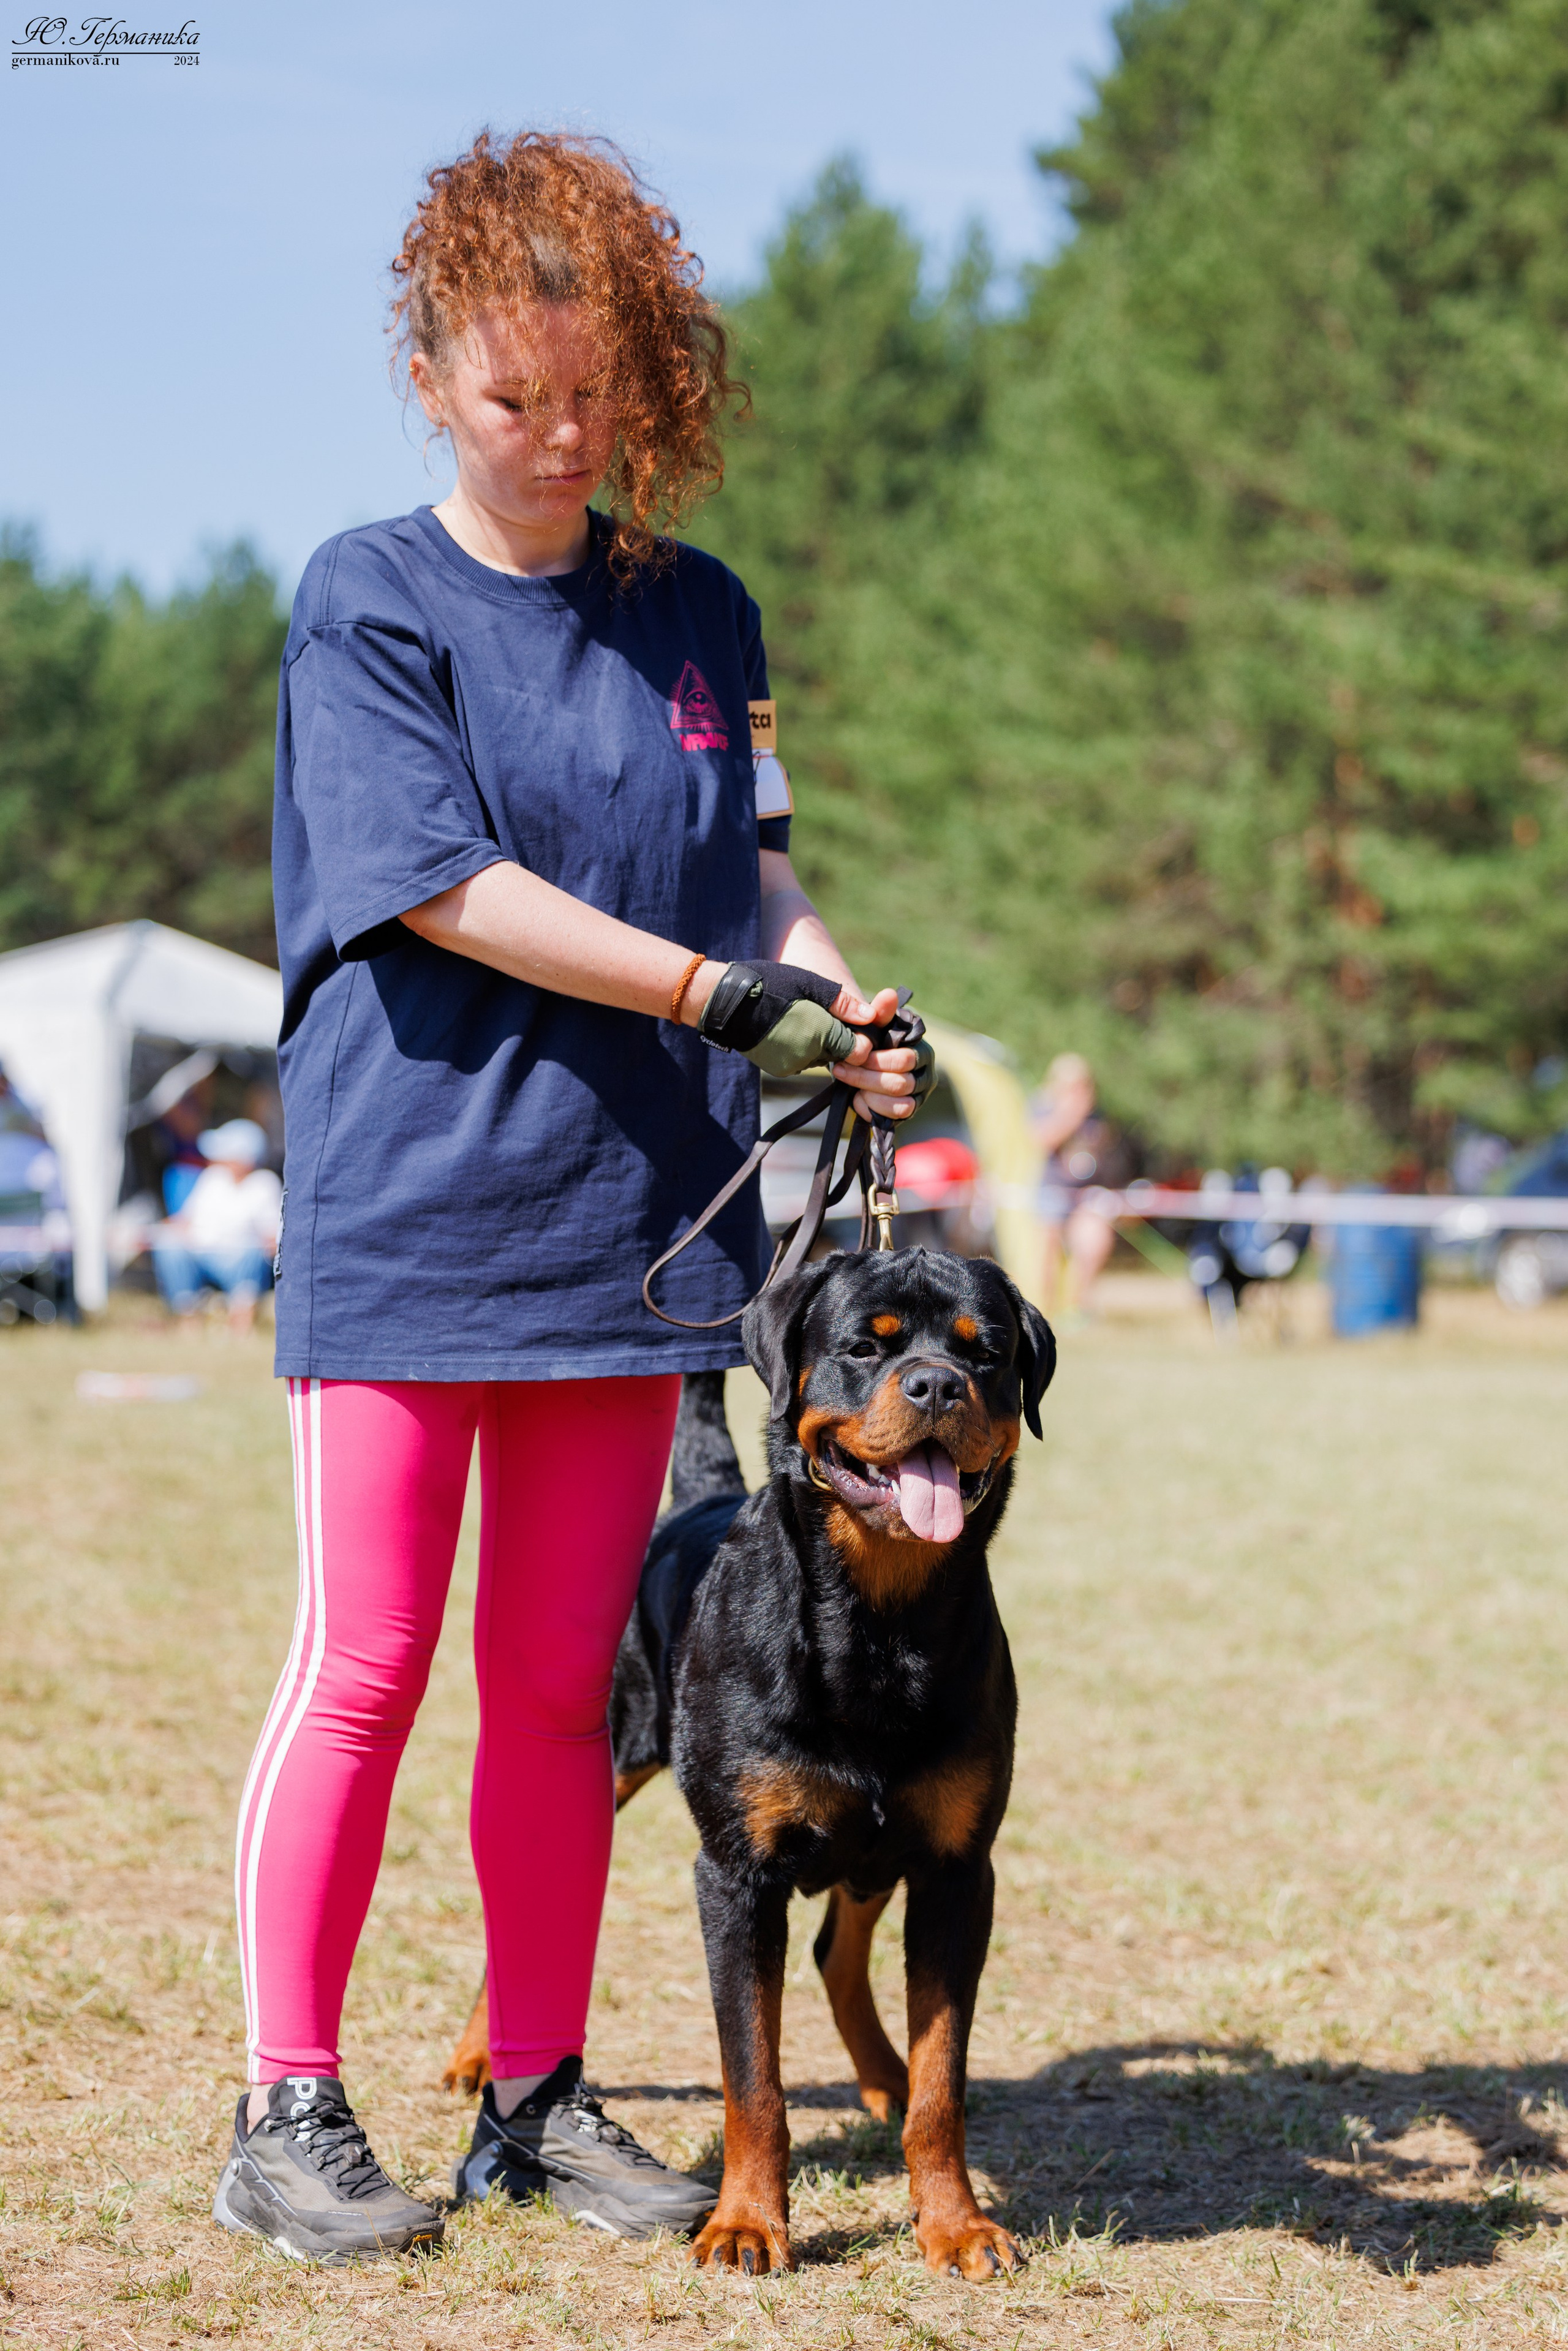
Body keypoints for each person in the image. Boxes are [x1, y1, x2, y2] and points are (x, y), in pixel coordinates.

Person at [212, 130, 933, 2267]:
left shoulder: (701, 612)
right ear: (431, 377)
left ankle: (533, 2092)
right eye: (509, 394)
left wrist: (830, 997)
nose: (553, 434)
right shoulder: (366, 598)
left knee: (556, 1691)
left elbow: (756, 874)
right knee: (363, 1663)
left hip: (642, 1232)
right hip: (415, 1216)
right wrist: (714, 992)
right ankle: (285, 2103)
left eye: (589, 394)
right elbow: (445, 884)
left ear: (645, 377)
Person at [154, 1119, 281, 1334]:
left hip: (238, 1259)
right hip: (201, 1252)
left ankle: (242, 1320)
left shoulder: (264, 1184)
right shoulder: (213, 1178)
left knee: (251, 1252)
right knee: (169, 1244)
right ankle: (188, 1317)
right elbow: (185, 1221)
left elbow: (271, 1236)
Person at [1032, 1053, 1123, 1318]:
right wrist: (1072, 1114)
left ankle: (1079, 1306)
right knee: (1048, 1248)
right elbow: (1041, 1138)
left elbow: (1106, 1151)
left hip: (1087, 1193)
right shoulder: (1044, 1105)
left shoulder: (1098, 1115)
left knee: (1095, 1239)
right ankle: (1044, 1310)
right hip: (1054, 1191)